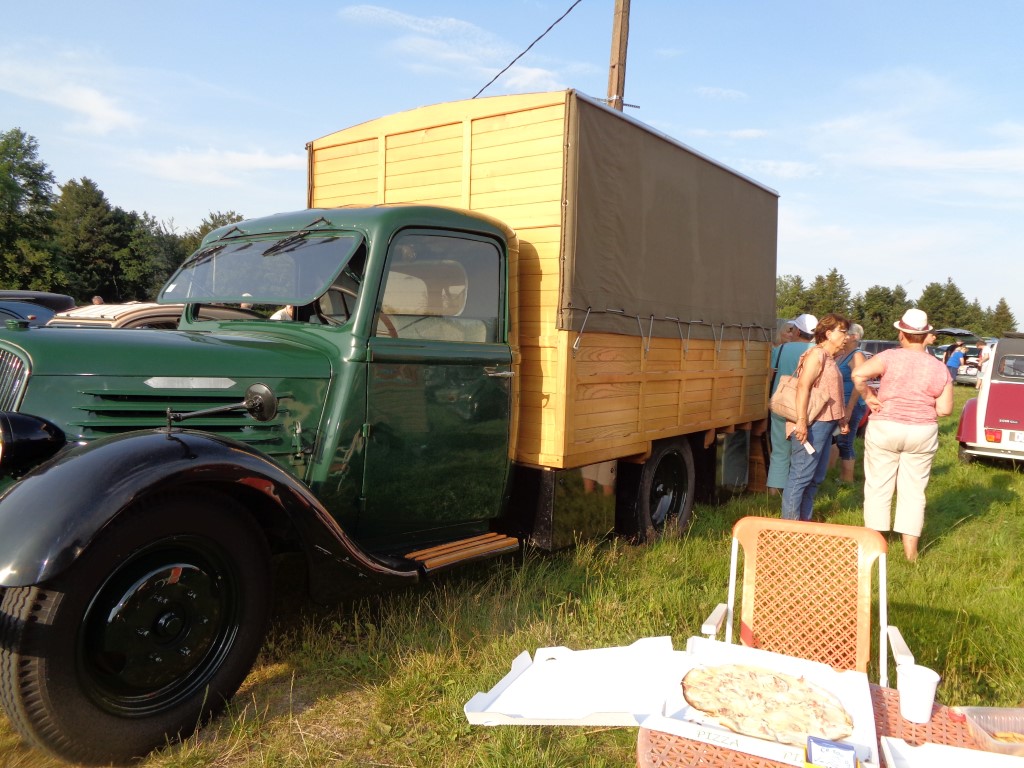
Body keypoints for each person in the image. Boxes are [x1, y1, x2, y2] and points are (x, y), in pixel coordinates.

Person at [851, 308, 953, 561]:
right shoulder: (939, 367)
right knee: (914, 491)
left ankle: (875, 549)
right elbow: (945, 410)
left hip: (886, 426)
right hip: (922, 430)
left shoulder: (889, 357)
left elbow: (858, 374)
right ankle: (911, 554)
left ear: (902, 334)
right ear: (926, 334)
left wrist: (870, 397)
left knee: (878, 487)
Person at [781, 313, 850, 522]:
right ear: (828, 334)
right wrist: (801, 422)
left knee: (814, 478)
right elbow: (803, 386)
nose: (846, 336)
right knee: (800, 477)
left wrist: (841, 419)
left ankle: (804, 524)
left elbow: (831, 392)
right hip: (812, 425)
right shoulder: (816, 355)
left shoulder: (829, 358)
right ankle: (790, 531)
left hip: (824, 426)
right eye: (843, 331)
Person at [766, 314, 817, 495]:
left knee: (779, 450)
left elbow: (770, 375)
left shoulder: (780, 350)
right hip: (808, 407)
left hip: (781, 404)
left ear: (797, 330)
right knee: (803, 452)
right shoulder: (818, 351)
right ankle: (797, 493)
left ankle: (774, 493)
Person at [834, 322, 867, 484]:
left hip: (852, 405)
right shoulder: (842, 354)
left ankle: (847, 479)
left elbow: (858, 385)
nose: (842, 336)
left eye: (845, 333)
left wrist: (849, 409)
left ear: (854, 337)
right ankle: (841, 475)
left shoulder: (857, 356)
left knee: (845, 441)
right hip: (842, 404)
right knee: (839, 440)